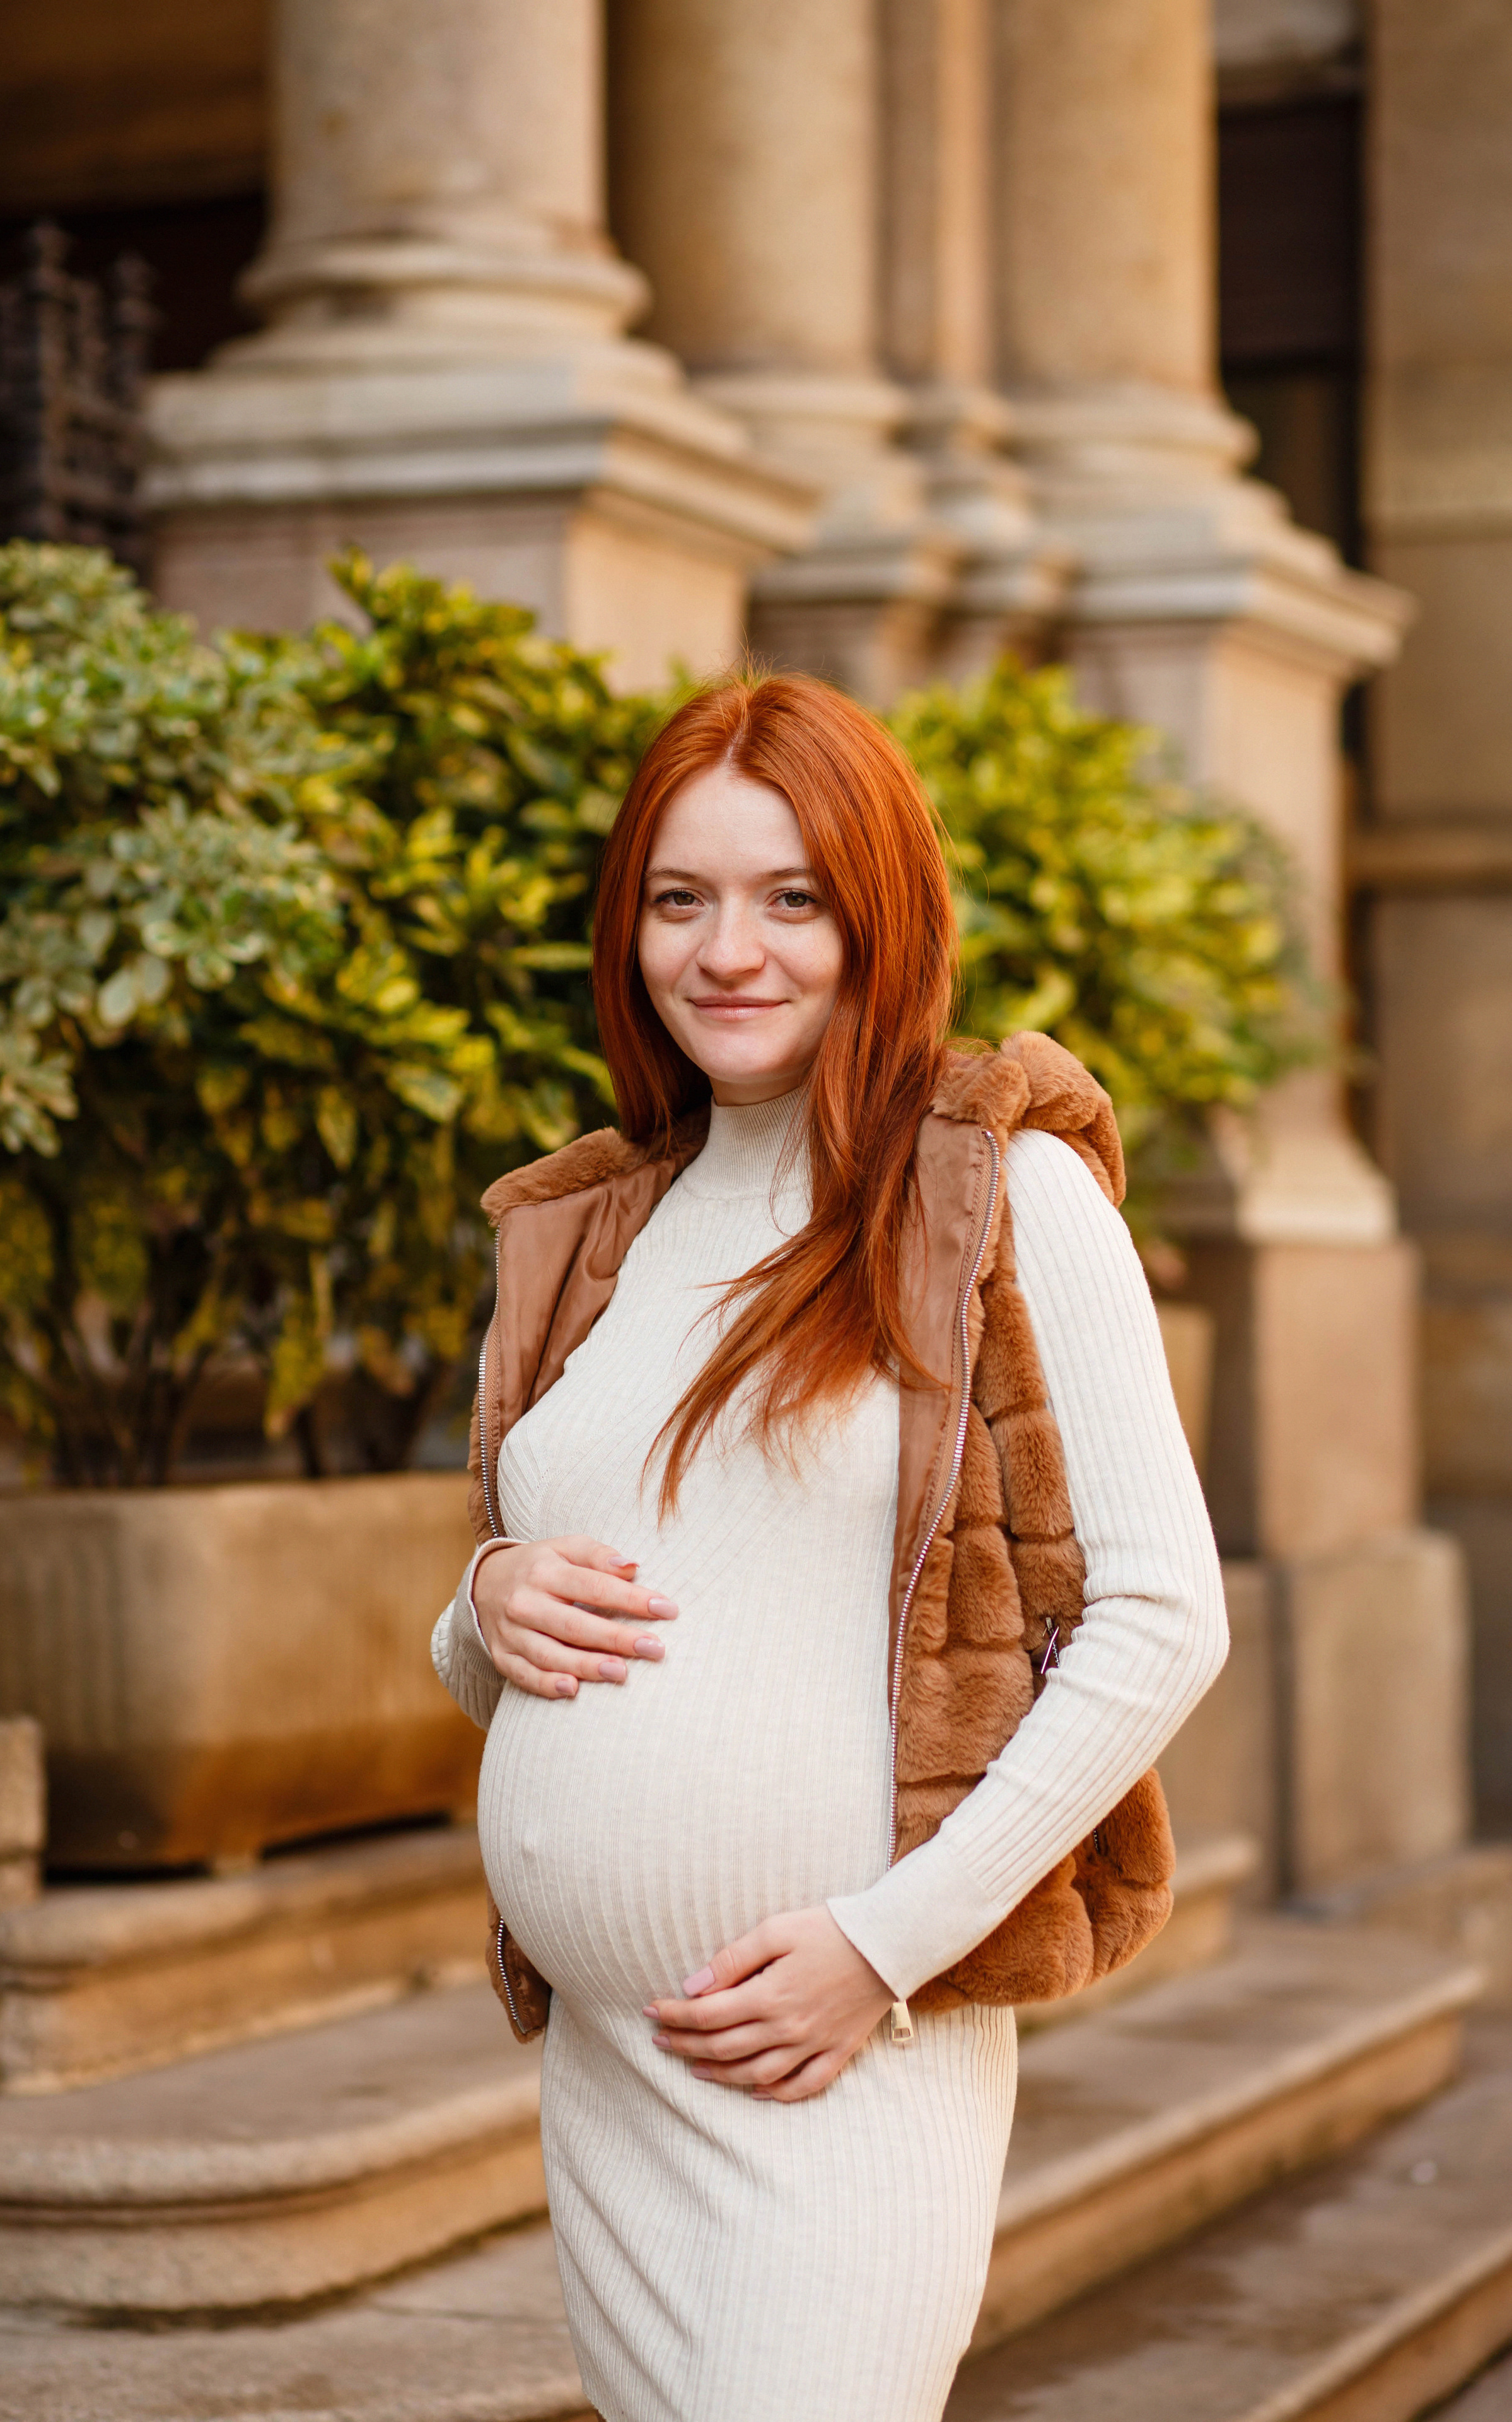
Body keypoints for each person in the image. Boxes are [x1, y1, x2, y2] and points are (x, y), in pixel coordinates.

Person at [431, 672, 1228, 2422]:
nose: (732, 950)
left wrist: (888, 1944)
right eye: (680, 897)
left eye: (795, 898)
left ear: (883, 915)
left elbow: (1166, 1620)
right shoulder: (599, 1224)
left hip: (854, 2057)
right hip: (611, 2073)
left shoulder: (997, 1192)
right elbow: (534, 1628)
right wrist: (484, 1601)